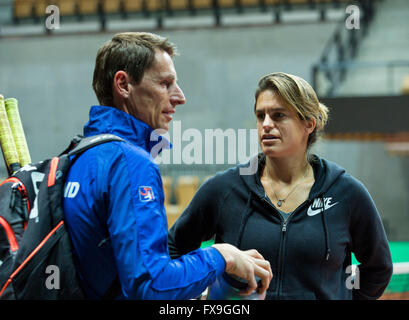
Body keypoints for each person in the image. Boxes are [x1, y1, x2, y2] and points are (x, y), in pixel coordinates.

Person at [63, 32, 272, 300]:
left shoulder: (78, 156)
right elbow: (151, 287)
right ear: (123, 84)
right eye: (165, 84)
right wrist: (222, 256)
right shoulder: (130, 164)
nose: (180, 97)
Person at [168, 72, 393, 300]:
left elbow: (378, 268)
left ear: (309, 124)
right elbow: (173, 248)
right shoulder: (224, 189)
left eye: (278, 115)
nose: (266, 124)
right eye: (260, 115)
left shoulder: (346, 193)